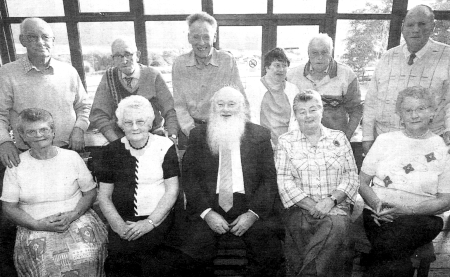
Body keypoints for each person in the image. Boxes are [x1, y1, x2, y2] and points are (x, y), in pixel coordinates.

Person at [181, 86, 282, 277]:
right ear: (213, 108)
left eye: (231, 104)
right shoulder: (198, 135)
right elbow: (189, 179)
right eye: (220, 104)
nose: (226, 109)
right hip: (209, 205)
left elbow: (269, 180)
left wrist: (252, 214)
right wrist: (207, 213)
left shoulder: (259, 135)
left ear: (242, 107)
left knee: (268, 253)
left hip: (250, 205)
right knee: (193, 251)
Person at [0, 108, 107, 276]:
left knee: (86, 254)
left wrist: (73, 215)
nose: (38, 135)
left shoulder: (71, 158)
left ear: (53, 131)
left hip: (76, 217)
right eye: (31, 131)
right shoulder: (16, 164)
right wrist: (37, 225)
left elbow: (90, 193)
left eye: (43, 129)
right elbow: (9, 207)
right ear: (22, 136)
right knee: (45, 260)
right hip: (33, 223)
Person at [358, 86, 450, 277]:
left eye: (421, 109)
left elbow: (445, 199)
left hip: (423, 217)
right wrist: (377, 205)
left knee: (389, 243)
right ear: (400, 114)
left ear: (432, 112)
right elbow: (362, 182)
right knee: (394, 252)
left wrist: (408, 211)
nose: (414, 115)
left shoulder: (442, 149)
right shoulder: (384, 140)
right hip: (379, 213)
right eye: (408, 110)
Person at [275, 89, 359, 276]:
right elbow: (284, 181)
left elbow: (351, 176)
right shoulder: (286, 142)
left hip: (335, 205)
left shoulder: (339, 138)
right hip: (300, 207)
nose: (308, 115)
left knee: (335, 225)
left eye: (313, 109)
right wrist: (313, 206)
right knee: (321, 229)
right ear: (295, 115)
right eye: (302, 111)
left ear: (322, 111)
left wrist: (330, 201)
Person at [96, 95, 179, 277]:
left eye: (140, 121)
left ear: (150, 123)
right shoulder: (110, 151)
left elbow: (172, 190)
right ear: (121, 125)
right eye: (128, 122)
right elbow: (103, 196)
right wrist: (119, 226)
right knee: (120, 263)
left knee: (154, 263)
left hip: (159, 219)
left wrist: (149, 223)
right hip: (123, 220)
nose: (134, 127)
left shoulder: (165, 146)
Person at [0, 17, 90, 168]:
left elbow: (84, 107)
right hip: (28, 153)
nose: (40, 42)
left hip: (69, 150)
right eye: (32, 37)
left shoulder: (68, 71)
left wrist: (79, 128)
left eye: (45, 37)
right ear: (22, 41)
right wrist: (4, 141)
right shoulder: (7, 73)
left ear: (53, 41)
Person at [362, 4, 450, 154]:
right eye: (410, 25)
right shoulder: (387, 57)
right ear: (403, 28)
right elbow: (371, 101)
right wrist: (367, 137)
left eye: (422, 24)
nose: (415, 29)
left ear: (432, 26)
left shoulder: (446, 57)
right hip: (385, 143)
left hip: (428, 146)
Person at [172, 12, 246, 149]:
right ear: (189, 38)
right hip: (189, 133)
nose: (201, 43)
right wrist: (193, 131)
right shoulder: (179, 64)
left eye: (206, 37)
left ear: (215, 37)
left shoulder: (227, 61)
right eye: (196, 37)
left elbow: (240, 99)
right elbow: (179, 105)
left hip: (222, 130)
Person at [90, 37, 178, 144]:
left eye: (128, 54)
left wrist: (172, 136)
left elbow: (170, 110)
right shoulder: (109, 77)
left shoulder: (153, 75)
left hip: (153, 138)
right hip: (121, 140)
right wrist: (116, 142)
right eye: (118, 56)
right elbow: (99, 114)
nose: (124, 61)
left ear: (138, 55)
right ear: (113, 59)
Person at [287, 33, 363, 141]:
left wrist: (345, 137)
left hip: (334, 142)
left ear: (331, 52)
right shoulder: (292, 76)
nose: (320, 57)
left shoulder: (347, 75)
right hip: (300, 142)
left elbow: (356, 109)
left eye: (324, 52)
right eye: (314, 53)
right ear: (308, 53)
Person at [246, 47, 299, 146]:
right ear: (267, 67)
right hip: (262, 144)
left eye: (284, 66)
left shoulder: (293, 89)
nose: (281, 69)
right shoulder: (254, 89)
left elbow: (296, 121)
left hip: (288, 145)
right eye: (277, 65)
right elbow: (251, 120)